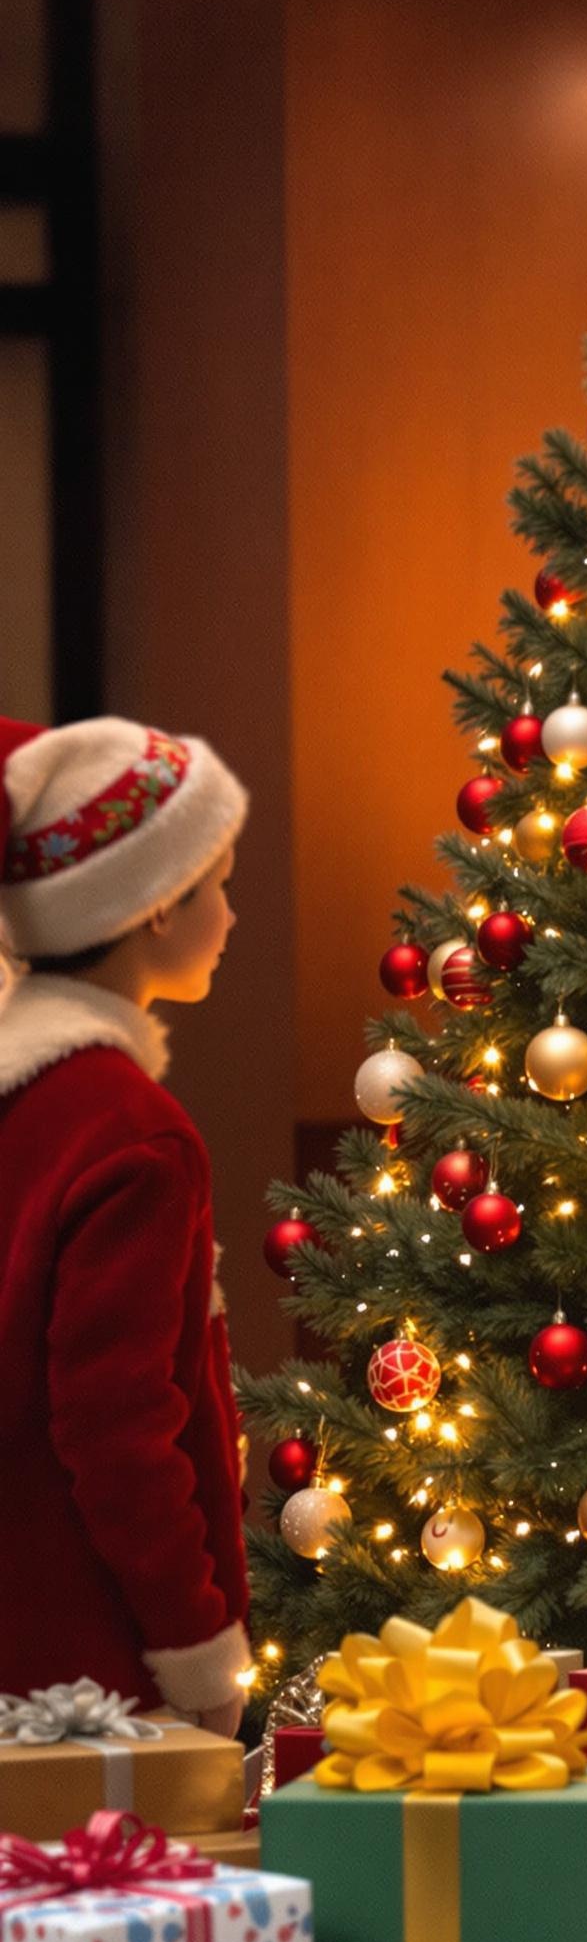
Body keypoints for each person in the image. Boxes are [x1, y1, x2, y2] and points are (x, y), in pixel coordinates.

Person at [0, 715, 250, 1734]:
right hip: (89, 1676)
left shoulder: (26, 1095)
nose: (230, 916)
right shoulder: (132, 1133)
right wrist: (196, 1653)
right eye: (217, 883)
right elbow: (119, 1431)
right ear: (154, 908)